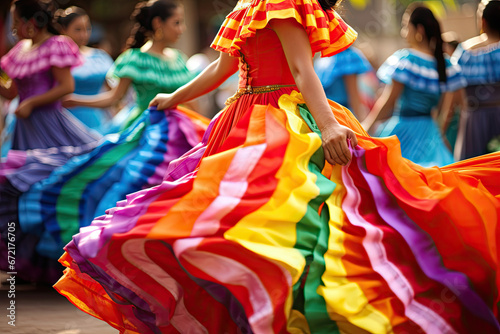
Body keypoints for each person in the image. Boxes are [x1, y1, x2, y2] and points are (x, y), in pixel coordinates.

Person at [55, 0, 500, 332]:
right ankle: (260, 309)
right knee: (235, 220)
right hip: (241, 122)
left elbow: (302, 71)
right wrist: (175, 98)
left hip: (283, 121)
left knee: (295, 222)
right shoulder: (250, 5)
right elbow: (220, 69)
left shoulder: (283, 3)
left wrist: (328, 127)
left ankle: (291, 312)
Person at [0, 0, 208, 285]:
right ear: (158, 25)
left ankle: (183, 259)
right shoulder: (134, 58)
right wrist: (75, 100)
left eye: (182, 22)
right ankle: (119, 257)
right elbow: (114, 98)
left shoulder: (179, 58)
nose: (181, 29)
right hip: (148, 132)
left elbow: (192, 101)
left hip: (184, 132)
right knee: (133, 189)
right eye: (176, 22)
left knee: (191, 191)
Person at [362, 5, 466, 167]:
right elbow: (445, 111)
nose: (404, 32)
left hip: (403, 131)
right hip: (430, 134)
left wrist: (366, 126)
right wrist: (440, 136)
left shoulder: (406, 60)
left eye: (405, 26)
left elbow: (388, 101)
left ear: (419, 30)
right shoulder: (444, 64)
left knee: (393, 177)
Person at [451, 0, 500, 160]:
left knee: (473, 171)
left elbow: (454, 90)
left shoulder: (465, 53)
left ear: (483, 22)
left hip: (474, 122)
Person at [56, 6, 114, 134]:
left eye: (87, 29)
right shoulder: (56, 59)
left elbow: (115, 94)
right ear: (63, 30)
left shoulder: (101, 56)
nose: (84, 34)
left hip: (98, 123)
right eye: (78, 29)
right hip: (65, 123)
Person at [314, 44, 373, 120]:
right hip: (342, 116)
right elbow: (354, 97)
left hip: (322, 115)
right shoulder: (348, 57)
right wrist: (363, 123)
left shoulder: (323, 58)